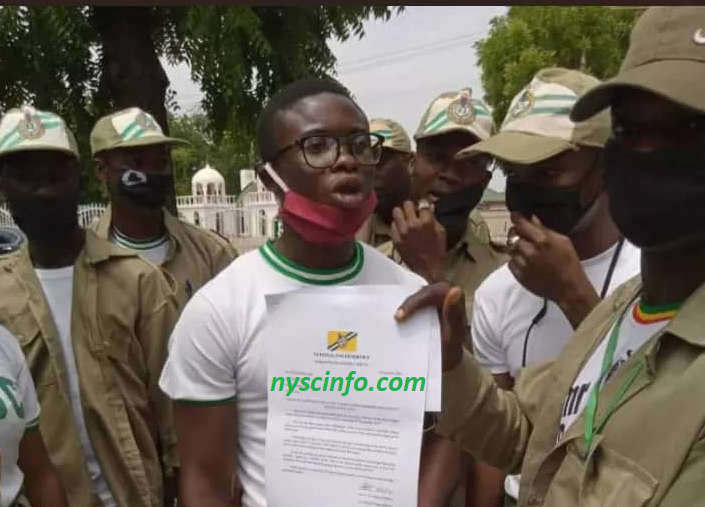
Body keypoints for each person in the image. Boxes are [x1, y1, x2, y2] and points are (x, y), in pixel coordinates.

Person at [396, 6, 705, 506]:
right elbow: (522, 434)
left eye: (690, 131)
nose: (650, 154)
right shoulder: (623, 310)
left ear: (599, 169)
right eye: (629, 130)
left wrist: (568, 293)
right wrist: (451, 360)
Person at [158, 78, 437, 507]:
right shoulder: (219, 310)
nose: (346, 160)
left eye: (360, 144)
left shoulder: (411, 296)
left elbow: (444, 437)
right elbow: (205, 481)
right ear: (268, 176)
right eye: (318, 146)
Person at [453, 68, 641, 507]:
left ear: (607, 167)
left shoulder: (651, 273)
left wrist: (573, 296)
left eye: (548, 173)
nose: (526, 193)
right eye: (515, 176)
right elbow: (496, 435)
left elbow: (649, 409)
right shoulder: (499, 292)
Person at [0, 106, 179, 507]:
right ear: (4, 186)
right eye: (25, 178)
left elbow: (173, 413)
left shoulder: (138, 280)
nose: (42, 191)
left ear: (79, 181)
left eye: (53, 176)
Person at [90, 107, 238, 308]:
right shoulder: (83, 257)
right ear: (101, 170)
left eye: (161, 162)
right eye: (137, 162)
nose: (152, 173)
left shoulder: (212, 253)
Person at [356, 118, 413, 247]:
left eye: (380, 159)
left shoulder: (433, 218)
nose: (369, 171)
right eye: (363, 161)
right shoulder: (351, 228)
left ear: (410, 162)